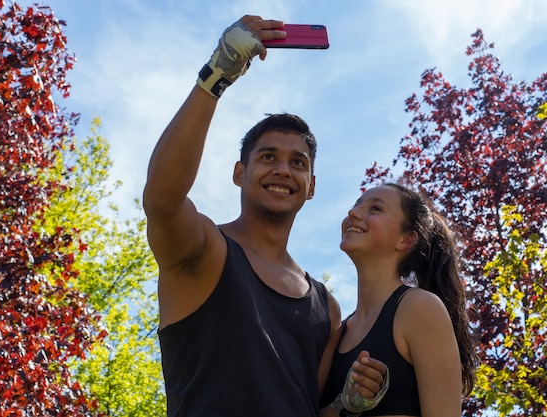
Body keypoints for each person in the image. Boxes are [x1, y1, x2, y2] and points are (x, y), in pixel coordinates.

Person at [143, 15, 387, 417]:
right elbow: (162, 199)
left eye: (298, 162)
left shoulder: (326, 309)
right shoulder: (205, 250)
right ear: (239, 173)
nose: (283, 170)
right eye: (268, 157)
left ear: (311, 186)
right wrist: (217, 73)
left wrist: (348, 404)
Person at [320, 183, 479, 417]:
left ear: (405, 240)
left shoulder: (420, 309)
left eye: (375, 208)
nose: (353, 213)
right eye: (356, 206)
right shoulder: (335, 330)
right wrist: (344, 403)